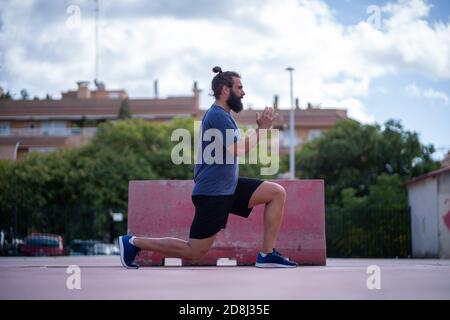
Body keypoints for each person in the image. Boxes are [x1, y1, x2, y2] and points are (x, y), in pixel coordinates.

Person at [119, 66, 298, 269]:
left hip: (228, 187)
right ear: (225, 90)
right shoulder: (218, 116)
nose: (243, 92)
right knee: (194, 251)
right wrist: (262, 130)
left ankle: (266, 255)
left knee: (276, 193)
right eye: (239, 87)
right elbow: (238, 150)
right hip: (213, 193)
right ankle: (133, 242)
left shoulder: (224, 116)